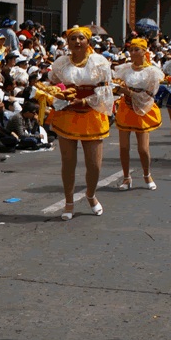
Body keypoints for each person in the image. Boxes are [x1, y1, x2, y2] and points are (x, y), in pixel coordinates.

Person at [48, 26, 113, 220]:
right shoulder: (60, 63)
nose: (77, 42)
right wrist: (57, 96)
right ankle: (69, 202)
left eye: (81, 38)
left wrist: (84, 101)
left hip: (92, 115)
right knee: (68, 163)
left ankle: (91, 195)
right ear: (67, 42)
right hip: (67, 115)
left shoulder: (100, 62)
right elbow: (54, 85)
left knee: (94, 165)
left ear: (88, 41)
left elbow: (106, 90)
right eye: (73, 38)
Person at [113, 38, 164, 191]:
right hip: (126, 108)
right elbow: (117, 86)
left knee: (143, 148)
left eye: (137, 49)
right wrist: (119, 90)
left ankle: (147, 174)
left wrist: (131, 93)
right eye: (131, 49)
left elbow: (150, 94)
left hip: (143, 108)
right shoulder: (125, 69)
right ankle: (126, 177)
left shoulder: (152, 72)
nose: (133, 52)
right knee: (124, 147)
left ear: (144, 51)